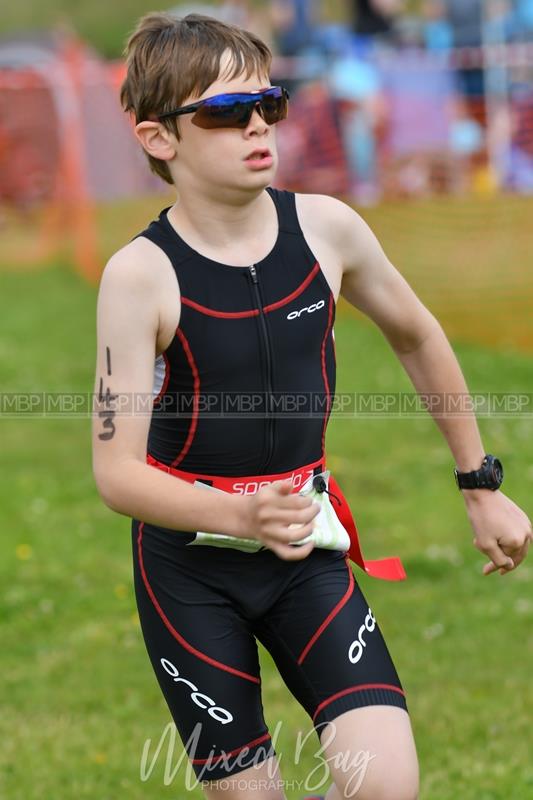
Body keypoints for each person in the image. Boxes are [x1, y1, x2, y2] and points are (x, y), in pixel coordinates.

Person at [91, 11, 532, 800]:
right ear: (160, 139)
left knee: (385, 784)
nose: (257, 126)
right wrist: (241, 517)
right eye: (226, 113)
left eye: (270, 104)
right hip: (190, 575)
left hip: (306, 553)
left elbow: (418, 335)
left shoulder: (327, 228)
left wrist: (480, 481)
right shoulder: (139, 276)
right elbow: (116, 475)